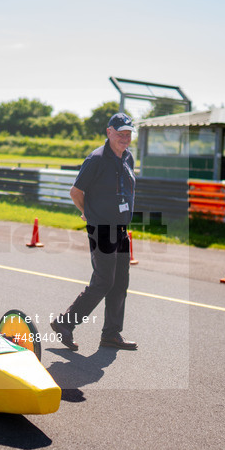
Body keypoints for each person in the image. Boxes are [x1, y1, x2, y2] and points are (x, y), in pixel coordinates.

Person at [50, 112, 138, 351]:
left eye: (128, 133)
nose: (124, 137)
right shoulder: (96, 159)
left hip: (121, 229)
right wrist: (87, 212)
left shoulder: (128, 158)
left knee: (120, 283)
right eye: (120, 133)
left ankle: (111, 334)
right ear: (109, 132)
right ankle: (64, 323)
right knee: (103, 281)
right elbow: (76, 192)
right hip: (102, 228)